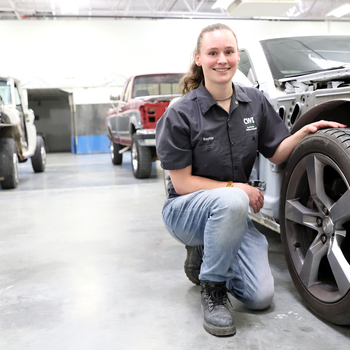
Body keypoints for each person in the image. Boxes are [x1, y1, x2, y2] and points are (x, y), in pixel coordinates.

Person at [155, 23, 346, 337]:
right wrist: (237, 188)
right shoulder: (181, 113)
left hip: (231, 211)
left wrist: (304, 132)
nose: (222, 59)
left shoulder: (253, 101)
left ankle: (205, 254)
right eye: (213, 52)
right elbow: (182, 184)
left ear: (236, 57)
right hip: (184, 210)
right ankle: (213, 290)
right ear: (198, 59)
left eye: (229, 52)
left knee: (259, 297)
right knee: (232, 200)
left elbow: (276, 153)